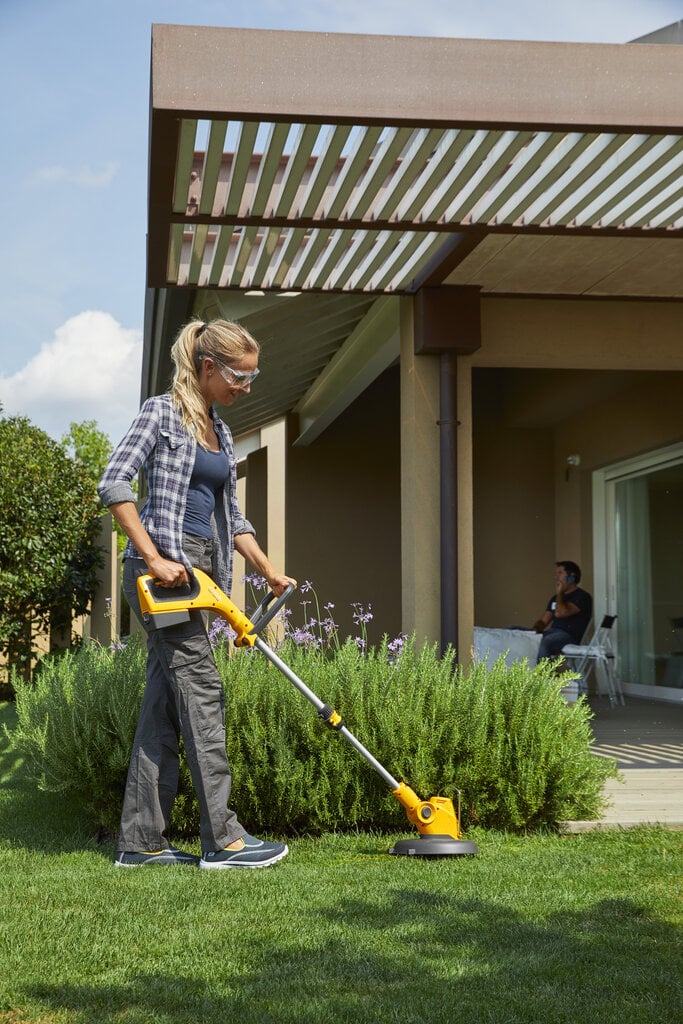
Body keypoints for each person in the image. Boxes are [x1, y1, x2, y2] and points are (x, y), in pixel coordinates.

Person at [98, 318, 297, 870]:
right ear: (207, 367)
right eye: (239, 376)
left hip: (201, 577)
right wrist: (157, 556)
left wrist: (266, 570)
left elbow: (232, 517)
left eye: (253, 377)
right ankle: (225, 840)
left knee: (162, 704)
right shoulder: (160, 412)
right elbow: (115, 481)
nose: (246, 387)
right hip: (160, 577)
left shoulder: (223, 430)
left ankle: (140, 843)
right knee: (203, 692)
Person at [532, 561, 592, 663]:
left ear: (571, 577)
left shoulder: (582, 596)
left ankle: (545, 678)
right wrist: (534, 630)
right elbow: (543, 621)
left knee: (545, 642)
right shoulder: (555, 598)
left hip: (569, 636)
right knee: (514, 631)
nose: (556, 578)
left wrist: (560, 592)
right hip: (551, 633)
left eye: (560, 573)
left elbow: (560, 613)